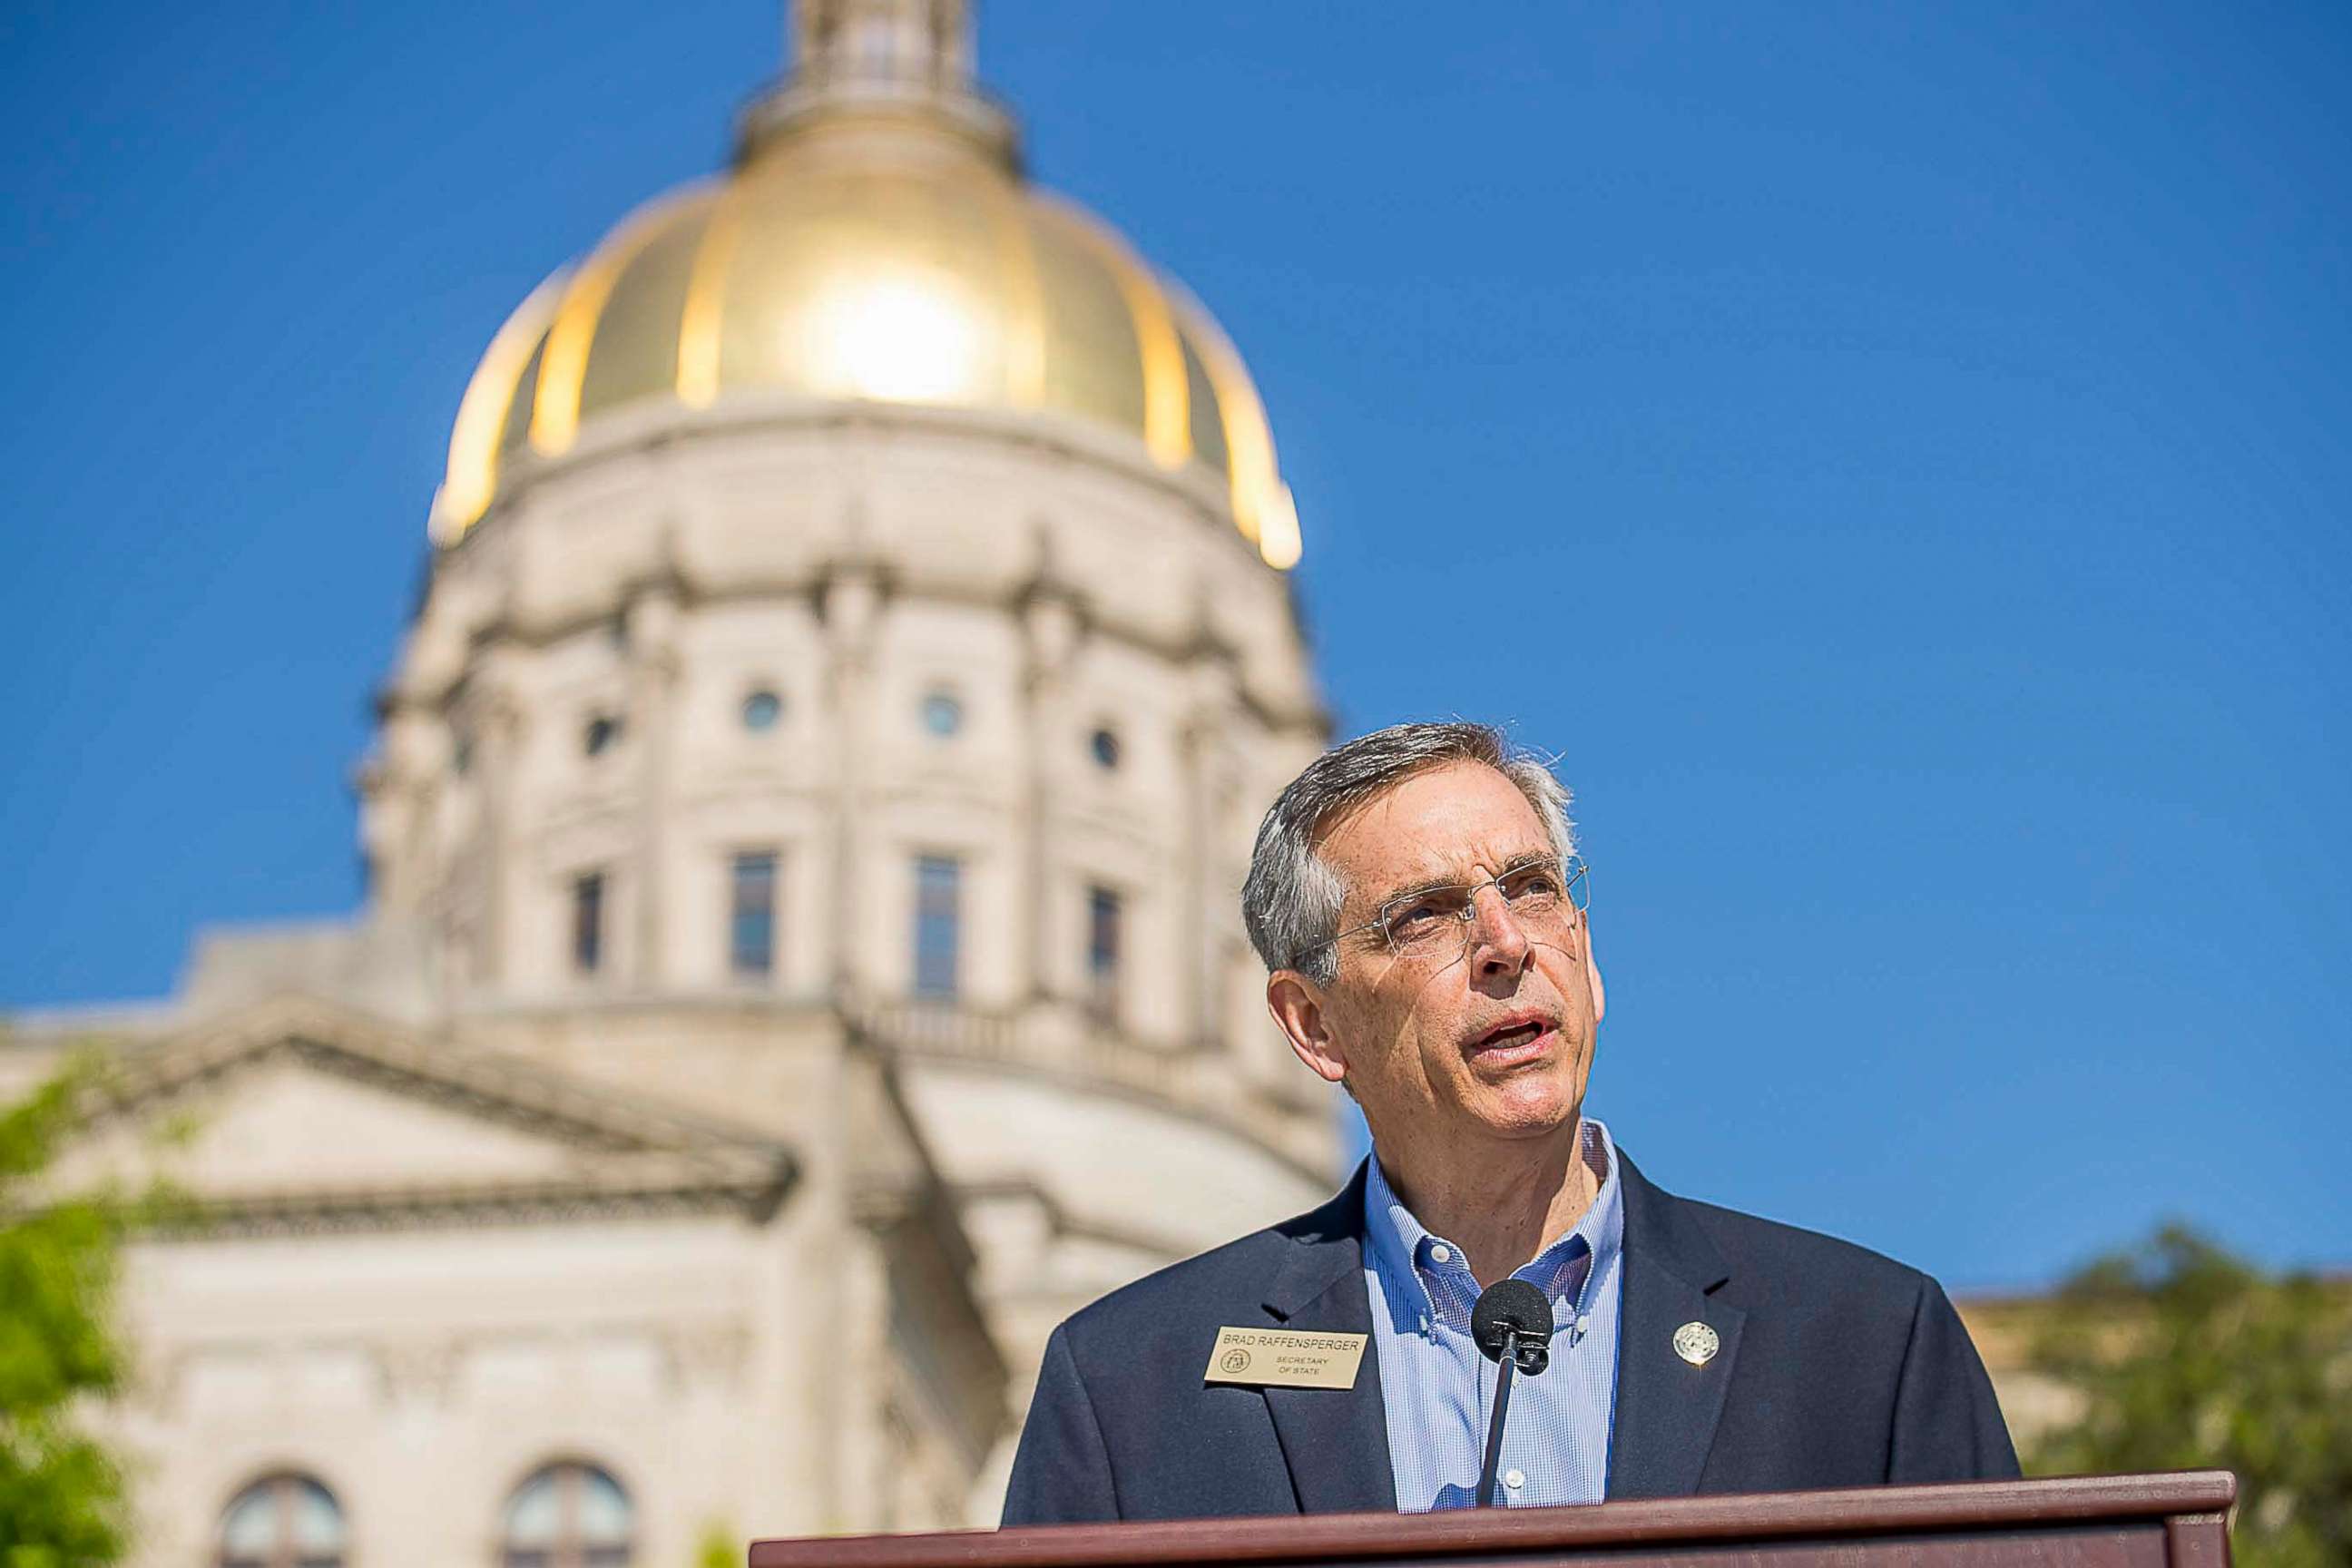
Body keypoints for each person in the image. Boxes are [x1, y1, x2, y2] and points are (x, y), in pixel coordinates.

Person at [1001, 721, 2018, 1524]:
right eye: (1425, 915)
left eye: (1531, 890)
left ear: (1584, 948)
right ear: (1315, 1026)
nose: (1503, 944)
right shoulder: (1132, 1385)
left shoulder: (1866, 1347)